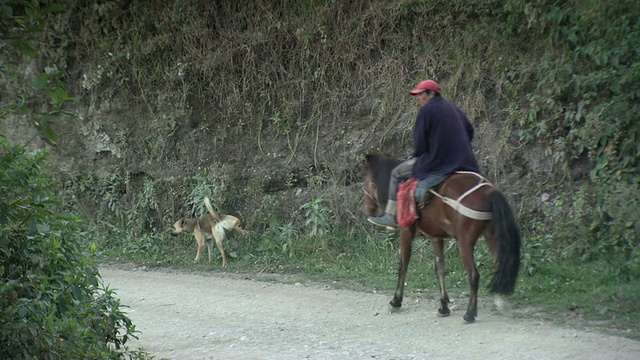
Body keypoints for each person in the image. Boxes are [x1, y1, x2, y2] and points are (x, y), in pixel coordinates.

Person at [367, 79, 480, 229]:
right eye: (417, 95)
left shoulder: (426, 111)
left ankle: (390, 216)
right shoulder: (454, 108)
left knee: (396, 173)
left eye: (421, 94)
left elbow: (420, 142)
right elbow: (470, 131)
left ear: (431, 93)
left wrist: (420, 155)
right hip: (465, 161)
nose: (418, 98)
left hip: (437, 162)